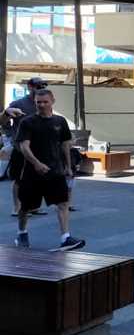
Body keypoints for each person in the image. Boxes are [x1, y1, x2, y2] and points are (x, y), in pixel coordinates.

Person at [14, 89, 85, 250]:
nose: (42, 105)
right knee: (26, 207)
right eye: (38, 102)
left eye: (45, 102)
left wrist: (68, 166)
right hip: (33, 172)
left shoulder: (60, 122)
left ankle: (65, 238)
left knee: (63, 203)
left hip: (55, 171)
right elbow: (24, 147)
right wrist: (37, 163)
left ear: (53, 101)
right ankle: (22, 232)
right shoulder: (28, 122)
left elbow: (65, 144)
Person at [5, 77, 48, 217]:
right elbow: (4, 122)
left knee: (37, 177)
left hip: (39, 147)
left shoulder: (43, 104)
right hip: (21, 148)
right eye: (38, 86)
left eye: (43, 86)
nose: (41, 88)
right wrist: (12, 136)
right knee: (19, 179)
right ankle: (17, 208)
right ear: (30, 87)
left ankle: (33, 206)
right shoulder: (18, 103)